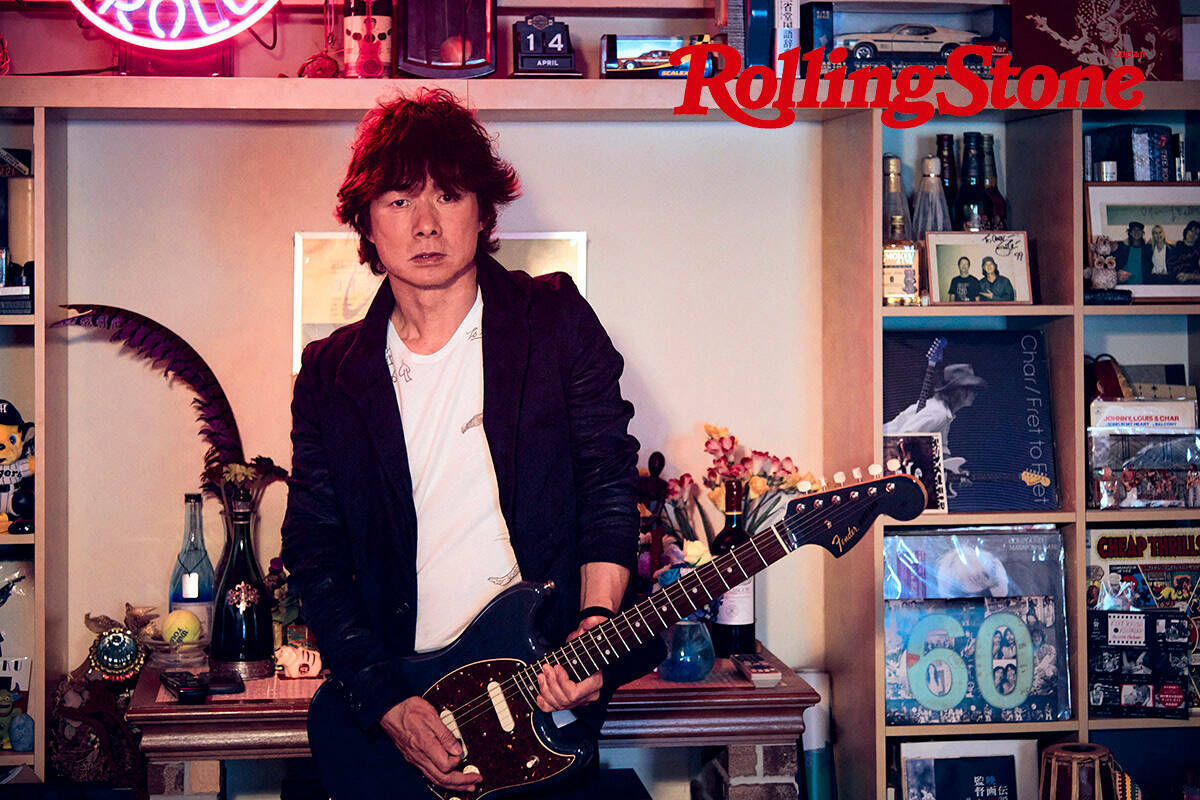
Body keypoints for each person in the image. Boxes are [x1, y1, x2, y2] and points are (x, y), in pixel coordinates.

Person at [281, 89, 660, 798]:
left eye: (448, 196)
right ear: (367, 220)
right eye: (399, 200)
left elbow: (606, 481)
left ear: (483, 212)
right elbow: (314, 548)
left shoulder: (553, 320)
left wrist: (594, 624)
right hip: (403, 704)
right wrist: (386, 700)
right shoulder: (331, 374)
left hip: (538, 696)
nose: (425, 224)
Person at [883, 363, 987, 459]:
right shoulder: (938, 413)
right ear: (959, 392)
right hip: (883, 448)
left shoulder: (945, 413)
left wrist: (954, 468)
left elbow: (942, 447)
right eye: (972, 389)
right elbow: (905, 436)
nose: (975, 394)